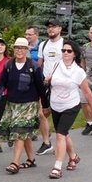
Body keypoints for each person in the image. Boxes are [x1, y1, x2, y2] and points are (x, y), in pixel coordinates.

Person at [42, 40, 92, 179]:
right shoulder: (56, 65)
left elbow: (87, 92)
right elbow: (48, 82)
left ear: (74, 54)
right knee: (64, 134)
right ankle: (73, 157)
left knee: (60, 135)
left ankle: (57, 167)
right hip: (56, 105)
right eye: (63, 50)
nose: (65, 53)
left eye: (69, 51)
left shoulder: (78, 72)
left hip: (71, 106)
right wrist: (47, 80)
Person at [0, 38, 48, 174]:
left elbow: (41, 87)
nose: (19, 50)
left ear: (27, 50)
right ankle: (31, 159)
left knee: (19, 131)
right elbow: (2, 83)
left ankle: (15, 163)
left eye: (22, 48)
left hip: (29, 104)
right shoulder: (9, 65)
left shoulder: (33, 66)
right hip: (12, 104)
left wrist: (45, 105)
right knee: (24, 132)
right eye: (17, 48)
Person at [36, 18, 64, 156]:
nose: (50, 29)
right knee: (42, 113)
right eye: (49, 27)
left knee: (58, 114)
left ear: (60, 29)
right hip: (46, 83)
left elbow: (70, 64)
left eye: (53, 27)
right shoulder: (44, 44)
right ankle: (46, 142)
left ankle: (61, 141)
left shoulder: (65, 44)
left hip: (60, 84)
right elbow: (39, 64)